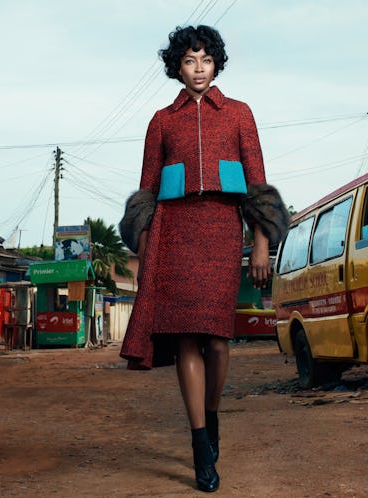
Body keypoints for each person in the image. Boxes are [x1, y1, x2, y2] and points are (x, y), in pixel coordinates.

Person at [118, 25, 288, 493]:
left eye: (206, 61)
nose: (198, 70)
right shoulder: (160, 122)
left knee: (217, 341)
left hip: (219, 231)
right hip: (173, 236)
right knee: (187, 341)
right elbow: (147, 192)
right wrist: (146, 248)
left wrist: (259, 243)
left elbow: (257, 185)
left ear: (216, 64)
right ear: (177, 66)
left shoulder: (238, 115)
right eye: (190, 61)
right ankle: (199, 443)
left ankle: (211, 417)